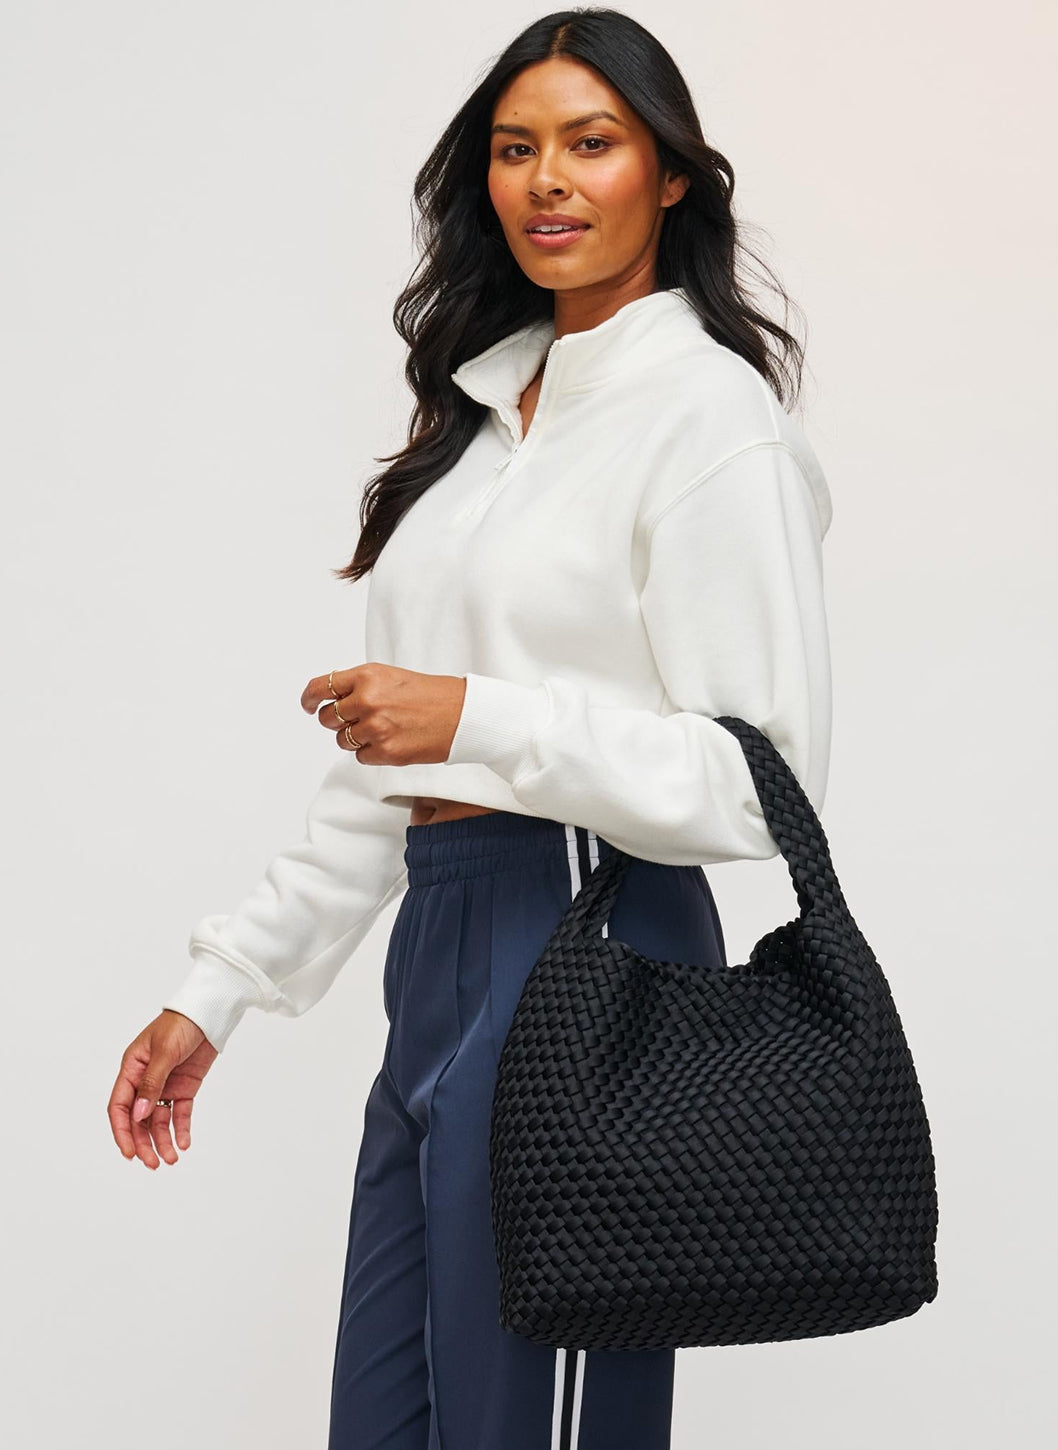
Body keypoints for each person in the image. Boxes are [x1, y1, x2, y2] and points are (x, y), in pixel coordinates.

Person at [107, 10, 834, 1449]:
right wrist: (222, 985)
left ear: (669, 176)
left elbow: (761, 789)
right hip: (438, 943)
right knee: (386, 1419)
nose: (546, 180)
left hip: (591, 934)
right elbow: (384, 771)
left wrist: (477, 717)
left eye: (591, 142)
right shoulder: (482, 422)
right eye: (515, 148)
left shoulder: (709, 420)